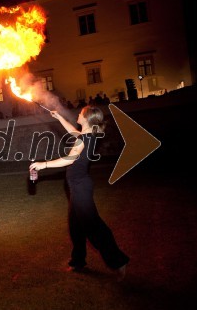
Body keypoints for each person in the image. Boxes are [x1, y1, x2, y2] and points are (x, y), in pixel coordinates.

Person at [29, 105, 129, 280]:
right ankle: (78, 261)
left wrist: (43, 164)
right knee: (76, 227)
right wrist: (59, 117)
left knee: (94, 227)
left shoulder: (85, 139)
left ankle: (119, 261)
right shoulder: (87, 135)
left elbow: (70, 158)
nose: (78, 113)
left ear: (87, 118)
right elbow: (73, 131)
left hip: (80, 187)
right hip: (77, 186)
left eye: (81, 112)